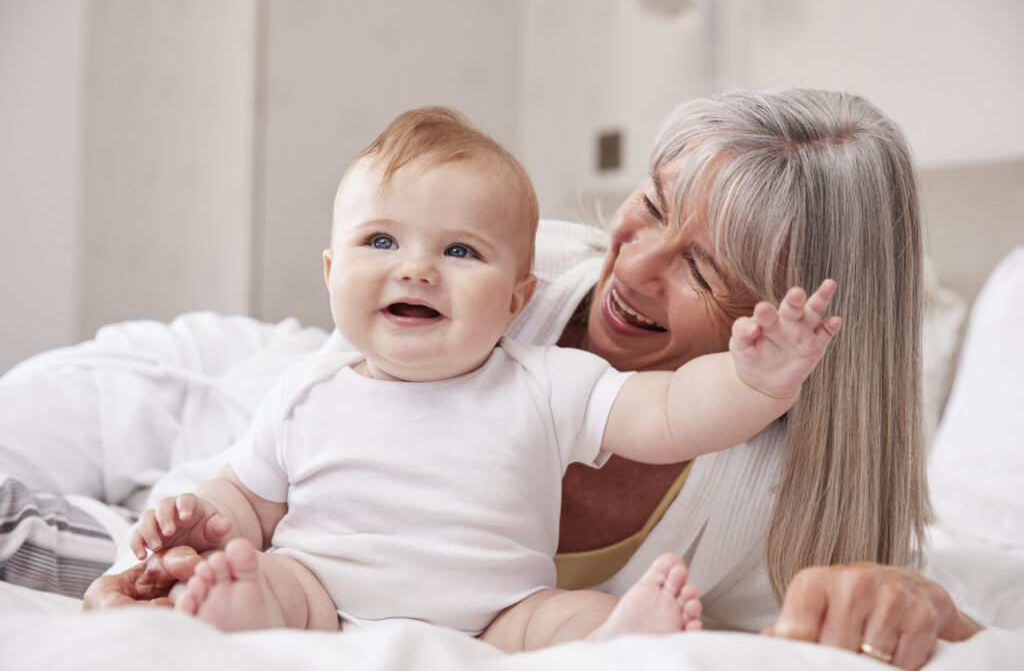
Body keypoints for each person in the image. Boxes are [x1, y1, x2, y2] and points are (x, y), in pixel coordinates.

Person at [3, 89, 981, 669]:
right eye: (649, 206)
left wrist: (925, 604)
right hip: (236, 386)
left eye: (702, 270)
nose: (629, 267)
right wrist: (179, 546)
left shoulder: (762, 474)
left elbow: (693, 417)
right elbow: (240, 476)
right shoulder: (516, 270)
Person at [122, 106, 837, 641]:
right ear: (332, 274)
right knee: (269, 577)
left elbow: (674, 410)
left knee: (576, 617)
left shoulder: (545, 381)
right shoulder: (309, 391)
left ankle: (623, 641)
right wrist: (206, 521)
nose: (417, 267)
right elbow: (248, 495)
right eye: (381, 240)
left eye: (460, 252)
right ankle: (240, 608)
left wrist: (757, 381)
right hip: (325, 593)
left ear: (517, 298)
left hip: (498, 618)